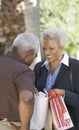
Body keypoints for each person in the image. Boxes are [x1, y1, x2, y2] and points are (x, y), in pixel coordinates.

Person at [34, 27, 79, 130]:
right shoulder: (39, 67)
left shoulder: (76, 67)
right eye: (44, 48)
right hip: (43, 126)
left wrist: (64, 93)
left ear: (62, 47)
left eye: (51, 48)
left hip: (69, 127)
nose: (46, 53)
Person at [0, 32, 40, 130]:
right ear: (29, 54)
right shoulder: (23, 70)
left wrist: (28, 86)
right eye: (35, 55)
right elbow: (26, 99)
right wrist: (25, 128)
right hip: (9, 126)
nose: (34, 58)